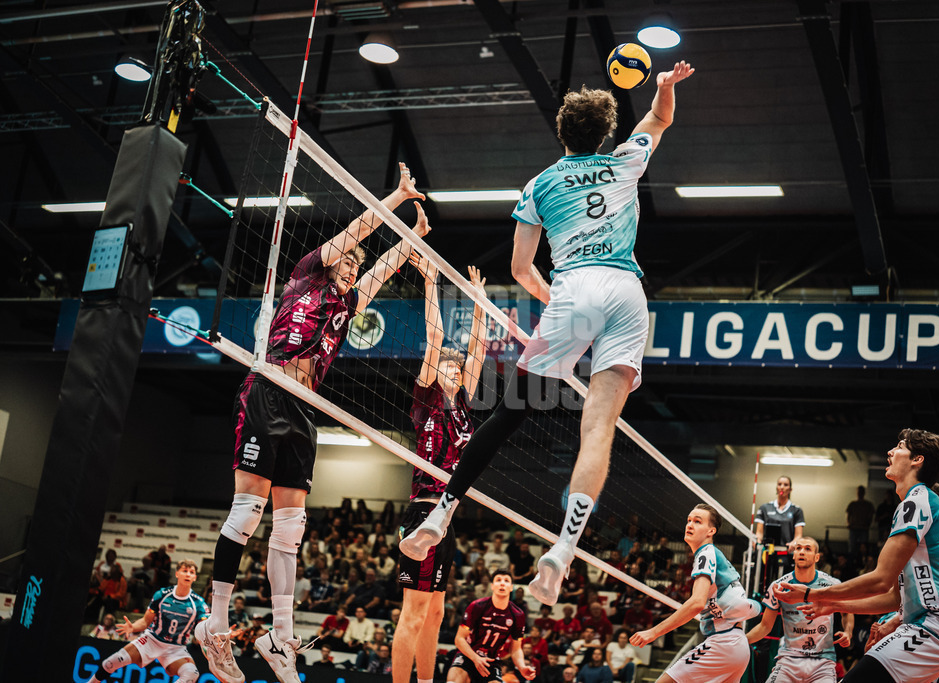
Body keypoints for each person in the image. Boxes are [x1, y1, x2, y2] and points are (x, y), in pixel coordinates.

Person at [401, 61, 697, 607]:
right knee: (599, 427)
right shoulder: (625, 161)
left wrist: (555, 300)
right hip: (628, 291)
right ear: (604, 133)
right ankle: (562, 551)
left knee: (511, 411)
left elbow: (520, 270)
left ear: (562, 133)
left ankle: (442, 514)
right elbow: (658, 119)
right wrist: (663, 87)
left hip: (575, 287)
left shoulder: (539, 186)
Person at [195, 163, 430, 683]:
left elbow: (382, 268)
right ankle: (214, 623)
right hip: (268, 389)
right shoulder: (306, 274)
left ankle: (281, 637)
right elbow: (357, 230)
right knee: (248, 510)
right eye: (346, 260)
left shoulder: (348, 303)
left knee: (291, 528)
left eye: (354, 265)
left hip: (304, 409)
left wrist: (412, 239)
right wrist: (395, 198)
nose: (351, 265)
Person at [775, 429, 939, 683]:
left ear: (917, 460)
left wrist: (810, 593)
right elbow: (893, 597)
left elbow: (880, 579)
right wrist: (834, 605)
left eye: (900, 446)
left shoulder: (916, 501)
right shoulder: (916, 505)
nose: (891, 451)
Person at [393, 260, 487, 683]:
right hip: (422, 513)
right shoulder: (427, 397)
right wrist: (430, 282)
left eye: (456, 367)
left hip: (447, 518)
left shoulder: (465, 409)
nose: (454, 369)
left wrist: (480, 303)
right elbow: (434, 339)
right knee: (413, 613)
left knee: (435, 613)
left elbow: (479, 352)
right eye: (449, 366)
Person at [629, 504, 761, 683]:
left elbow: (696, 602)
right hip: (737, 646)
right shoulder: (714, 555)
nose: (689, 525)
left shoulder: (705, 554)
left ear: (711, 531)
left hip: (723, 643)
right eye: (688, 520)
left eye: (697, 521)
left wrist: (653, 632)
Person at [746, 537, 853, 683]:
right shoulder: (778, 586)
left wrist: (848, 631)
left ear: (817, 557)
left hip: (822, 663)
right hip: (789, 661)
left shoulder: (832, 584)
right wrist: (742, 641)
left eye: (807, 549)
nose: (802, 552)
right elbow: (765, 626)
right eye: (798, 548)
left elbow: (847, 611)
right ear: (794, 555)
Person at [85, 559, 208, 683]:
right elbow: (145, 621)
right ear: (177, 574)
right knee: (110, 663)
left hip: (176, 648)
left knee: (192, 674)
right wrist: (132, 627)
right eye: (185, 571)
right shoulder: (162, 594)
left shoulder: (198, 603)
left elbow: (205, 626)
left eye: (191, 572)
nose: (188, 574)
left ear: (195, 578)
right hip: (152, 640)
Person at [447, 571, 535, 683]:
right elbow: (459, 639)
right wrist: (475, 658)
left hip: (491, 661)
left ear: (511, 588)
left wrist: (522, 667)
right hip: (468, 655)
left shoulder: (518, 615)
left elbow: (516, 648)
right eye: (498, 580)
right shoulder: (477, 606)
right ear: (492, 586)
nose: (502, 583)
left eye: (506, 581)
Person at [755, 476, 805, 549]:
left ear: (790, 489)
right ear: (776, 488)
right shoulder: (764, 508)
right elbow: (759, 533)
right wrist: (757, 542)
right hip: (766, 550)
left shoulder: (797, 510)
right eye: (779, 484)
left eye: (785, 485)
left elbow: (798, 536)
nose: (782, 487)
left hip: (787, 551)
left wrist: (793, 543)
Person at [846, 486, 875, 553]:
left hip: (863, 528)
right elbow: (848, 515)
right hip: (854, 528)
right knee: (852, 547)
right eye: (859, 492)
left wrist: (868, 524)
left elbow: (871, 515)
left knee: (863, 547)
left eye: (861, 492)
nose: (860, 493)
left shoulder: (868, 504)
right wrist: (848, 523)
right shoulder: (853, 504)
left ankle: (862, 559)